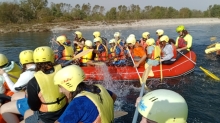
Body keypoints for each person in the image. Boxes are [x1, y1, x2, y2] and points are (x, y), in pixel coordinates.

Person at [24, 46, 67, 123]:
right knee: (28, 113)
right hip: (63, 109)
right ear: (52, 57)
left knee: (27, 116)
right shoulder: (63, 71)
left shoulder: (33, 82)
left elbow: (34, 107)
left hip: (46, 118)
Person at [0, 50, 35, 123]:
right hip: (24, 90)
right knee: (14, 97)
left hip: (13, 91)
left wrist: (4, 74)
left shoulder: (28, 73)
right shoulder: (15, 65)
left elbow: (3, 91)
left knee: (3, 108)